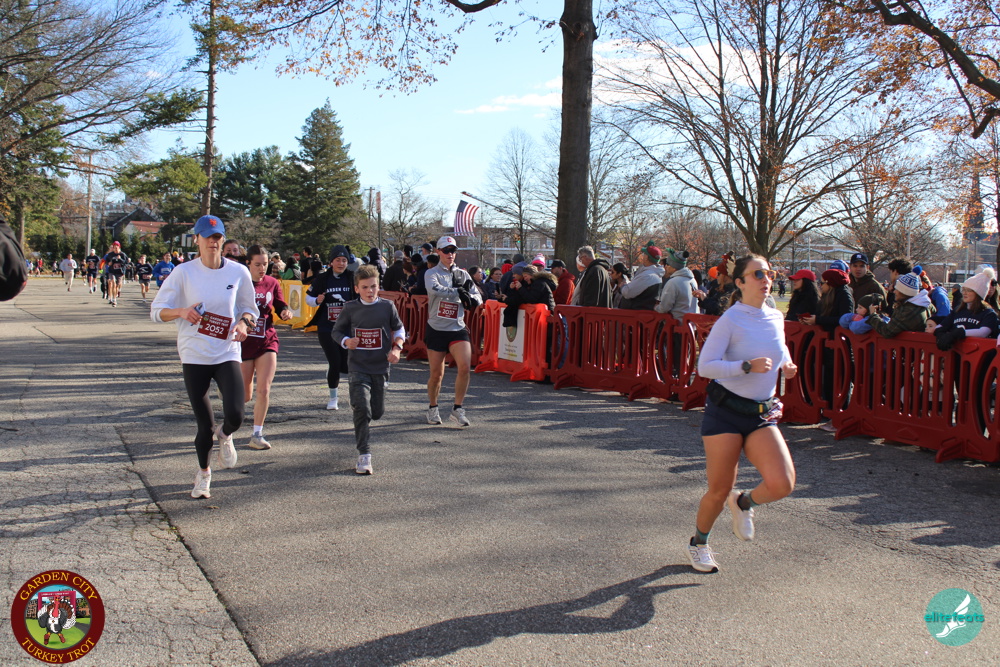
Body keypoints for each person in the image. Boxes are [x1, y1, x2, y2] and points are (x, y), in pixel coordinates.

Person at [688, 254, 797, 573]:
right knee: (719, 490)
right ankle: (699, 543)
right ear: (740, 282)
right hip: (726, 412)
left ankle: (744, 502)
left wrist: (786, 363)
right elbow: (705, 367)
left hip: (760, 413)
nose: (766, 280)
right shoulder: (730, 320)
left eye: (769, 273)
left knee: (782, 483)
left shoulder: (774, 315)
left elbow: (778, 345)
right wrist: (746, 366)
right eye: (758, 274)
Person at [150, 215, 258, 500]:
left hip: (226, 351)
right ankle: (203, 475)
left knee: (236, 414)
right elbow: (157, 311)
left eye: (218, 237)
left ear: (223, 239)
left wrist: (243, 323)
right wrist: (181, 311)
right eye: (207, 237)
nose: (213, 242)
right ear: (196, 239)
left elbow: (250, 309)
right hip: (195, 354)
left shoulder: (238, 272)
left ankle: (226, 434)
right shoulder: (183, 272)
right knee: (204, 425)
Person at [331, 264, 406, 474]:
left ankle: (365, 409)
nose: (370, 291)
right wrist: (346, 341)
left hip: (380, 367)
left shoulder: (387, 307)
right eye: (364, 287)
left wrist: (397, 348)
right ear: (357, 289)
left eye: (373, 286)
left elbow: (399, 328)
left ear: (378, 286)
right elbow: (336, 332)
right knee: (362, 409)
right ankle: (364, 455)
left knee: (377, 412)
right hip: (357, 366)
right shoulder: (350, 308)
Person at [425, 235, 482, 427]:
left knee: (465, 367)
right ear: (438, 252)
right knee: (436, 374)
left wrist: (473, 300)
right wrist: (458, 292)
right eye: (446, 251)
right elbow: (435, 289)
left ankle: (458, 408)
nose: (450, 254)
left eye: (453, 251)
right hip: (437, 328)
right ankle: (433, 407)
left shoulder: (463, 274)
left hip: (457, 327)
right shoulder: (431, 273)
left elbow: (477, 295)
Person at [240, 245, 292, 450]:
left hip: (266, 339)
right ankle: (228, 426)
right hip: (243, 342)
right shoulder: (239, 282)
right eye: (257, 264)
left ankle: (257, 434)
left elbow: (279, 304)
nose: (262, 268)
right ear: (248, 264)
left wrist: (285, 311)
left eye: (265, 264)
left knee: (263, 389)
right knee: (245, 395)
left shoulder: (272, 282)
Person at [306, 245, 356, 410]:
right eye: (338, 260)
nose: (341, 263)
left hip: (346, 328)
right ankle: (333, 398)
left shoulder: (352, 277)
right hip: (327, 327)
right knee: (334, 362)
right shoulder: (323, 278)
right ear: (331, 262)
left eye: (344, 260)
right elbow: (308, 299)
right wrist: (317, 300)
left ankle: (336, 377)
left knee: (345, 365)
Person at [930, 268, 999, 350]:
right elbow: (941, 326)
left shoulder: (988, 313)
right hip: (956, 355)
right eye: (963, 290)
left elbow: (983, 332)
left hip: (977, 354)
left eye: (969, 290)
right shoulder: (958, 310)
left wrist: (959, 333)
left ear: (978, 294)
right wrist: (940, 334)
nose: (964, 293)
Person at [865, 269, 933, 337]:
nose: (894, 292)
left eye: (897, 289)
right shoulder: (922, 303)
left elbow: (886, 331)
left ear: (904, 292)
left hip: (909, 343)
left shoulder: (908, 311)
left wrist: (873, 315)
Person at [655, 248, 698, 319]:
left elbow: (664, 308)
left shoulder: (673, 282)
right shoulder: (692, 280)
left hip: (677, 323)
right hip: (691, 322)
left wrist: (655, 307)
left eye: (668, 264)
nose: (665, 266)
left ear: (674, 268)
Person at [619, 242, 664, 310]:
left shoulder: (647, 276)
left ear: (646, 257)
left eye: (644, 254)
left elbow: (628, 293)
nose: (642, 256)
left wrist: (623, 285)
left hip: (636, 313)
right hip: (644, 313)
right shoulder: (656, 273)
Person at [102, 241, 128, 306]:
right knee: (112, 282)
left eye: (117, 246)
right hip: (112, 271)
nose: (115, 248)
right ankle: (113, 299)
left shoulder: (122, 254)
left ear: (119, 247)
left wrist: (120, 259)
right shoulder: (110, 254)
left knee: (117, 285)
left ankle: (114, 297)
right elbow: (106, 261)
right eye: (114, 247)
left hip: (119, 272)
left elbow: (126, 263)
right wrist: (109, 263)